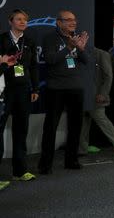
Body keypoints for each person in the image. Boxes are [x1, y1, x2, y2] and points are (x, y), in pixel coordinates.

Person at [38, 10, 90, 174]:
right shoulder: (50, 38)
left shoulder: (75, 38)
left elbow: (87, 61)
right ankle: (45, 164)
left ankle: (71, 160)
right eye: (68, 20)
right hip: (56, 89)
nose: (73, 23)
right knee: (50, 127)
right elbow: (51, 60)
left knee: (75, 126)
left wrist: (80, 48)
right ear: (59, 22)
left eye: (74, 20)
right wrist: (68, 47)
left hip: (75, 88)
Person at [0, 9, 39, 182]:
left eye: (25, 20)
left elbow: (34, 67)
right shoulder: (1, 40)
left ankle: (20, 171)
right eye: (19, 19)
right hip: (4, 90)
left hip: (23, 90)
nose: (23, 22)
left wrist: (35, 89)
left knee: (21, 130)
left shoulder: (29, 41)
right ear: (11, 21)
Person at [79, 47, 114, 155]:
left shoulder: (101, 54)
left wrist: (103, 93)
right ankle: (81, 149)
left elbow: (108, 76)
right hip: (81, 95)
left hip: (96, 96)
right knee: (82, 123)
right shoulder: (75, 52)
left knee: (103, 121)